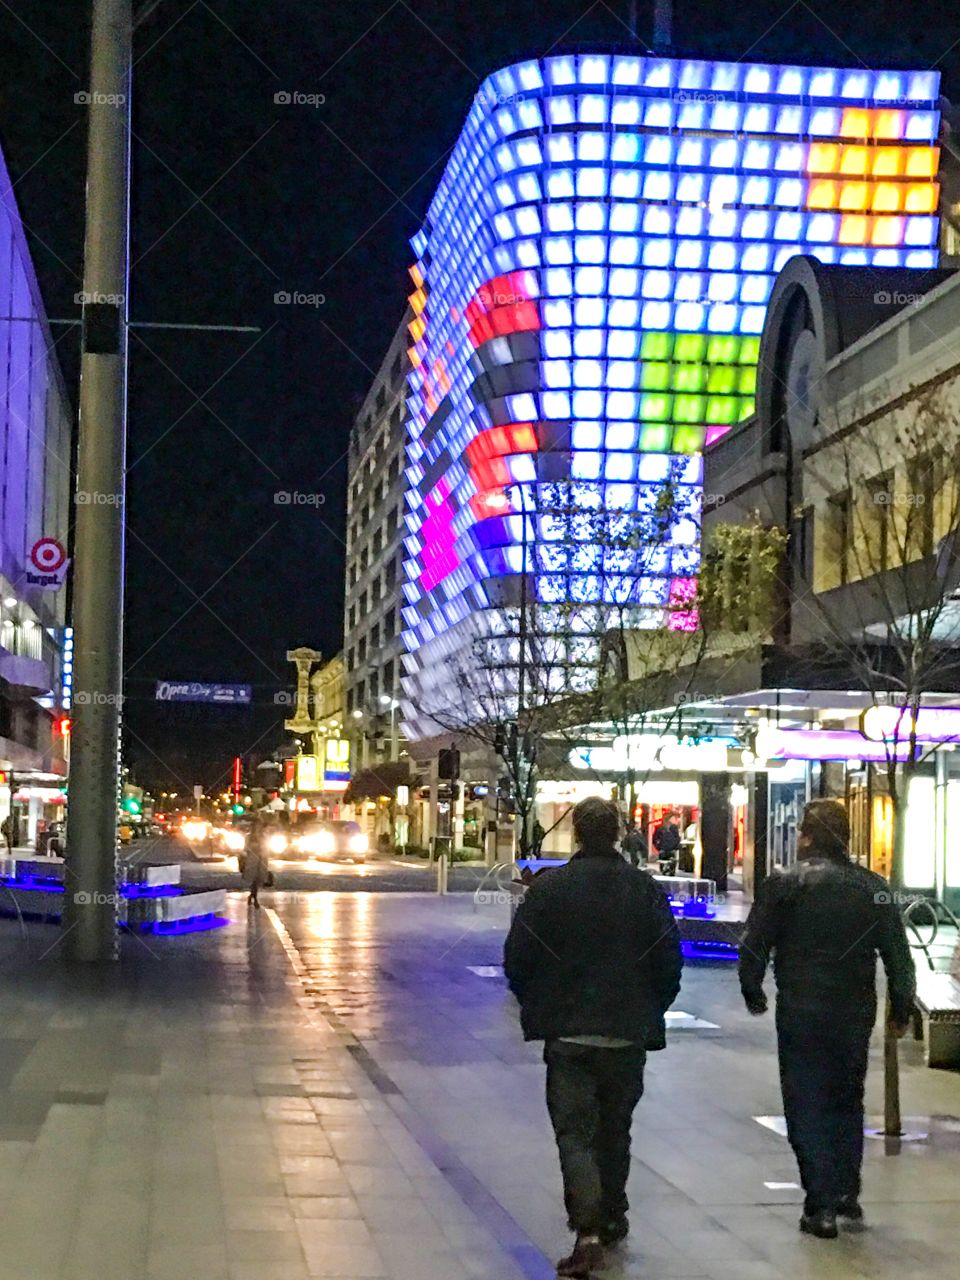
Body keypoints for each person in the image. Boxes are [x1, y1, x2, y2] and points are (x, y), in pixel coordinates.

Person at [504, 796, 682, 1278]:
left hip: (569, 1033)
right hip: (626, 1032)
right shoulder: (643, 890)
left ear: (577, 834)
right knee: (615, 1127)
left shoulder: (550, 890)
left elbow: (518, 957)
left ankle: (587, 1231)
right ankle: (612, 1214)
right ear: (618, 832)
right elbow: (668, 959)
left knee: (575, 1133)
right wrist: (650, 1007)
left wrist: (538, 1004)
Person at [738, 799, 916, 1239]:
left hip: (801, 1009)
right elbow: (898, 953)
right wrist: (901, 1005)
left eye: (801, 831)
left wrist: (753, 988)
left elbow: (755, 942)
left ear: (809, 837)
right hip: (853, 1010)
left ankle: (819, 1203)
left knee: (805, 1102)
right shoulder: (871, 887)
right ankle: (844, 1192)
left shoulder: (783, 885)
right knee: (845, 1097)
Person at [244, 817, 274, 909]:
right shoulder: (249, 836)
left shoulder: (264, 836)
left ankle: (252, 896)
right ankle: (255, 898)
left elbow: (267, 848)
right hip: (253, 859)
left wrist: (263, 851)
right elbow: (246, 848)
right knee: (254, 879)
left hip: (261, 859)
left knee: (258, 879)